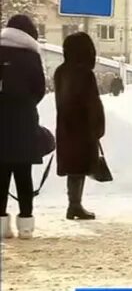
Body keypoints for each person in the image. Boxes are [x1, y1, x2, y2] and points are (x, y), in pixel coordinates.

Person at [0, 15, 46, 239]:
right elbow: (39, 89)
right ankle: (25, 225)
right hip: (23, 121)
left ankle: (1, 226)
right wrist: (25, 105)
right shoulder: (31, 55)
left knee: (1, 174)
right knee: (23, 174)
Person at [54, 32, 105, 221]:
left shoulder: (61, 71)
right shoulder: (85, 73)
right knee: (79, 166)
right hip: (83, 128)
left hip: (66, 126)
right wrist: (98, 127)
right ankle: (75, 205)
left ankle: (74, 204)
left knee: (73, 167)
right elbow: (92, 103)